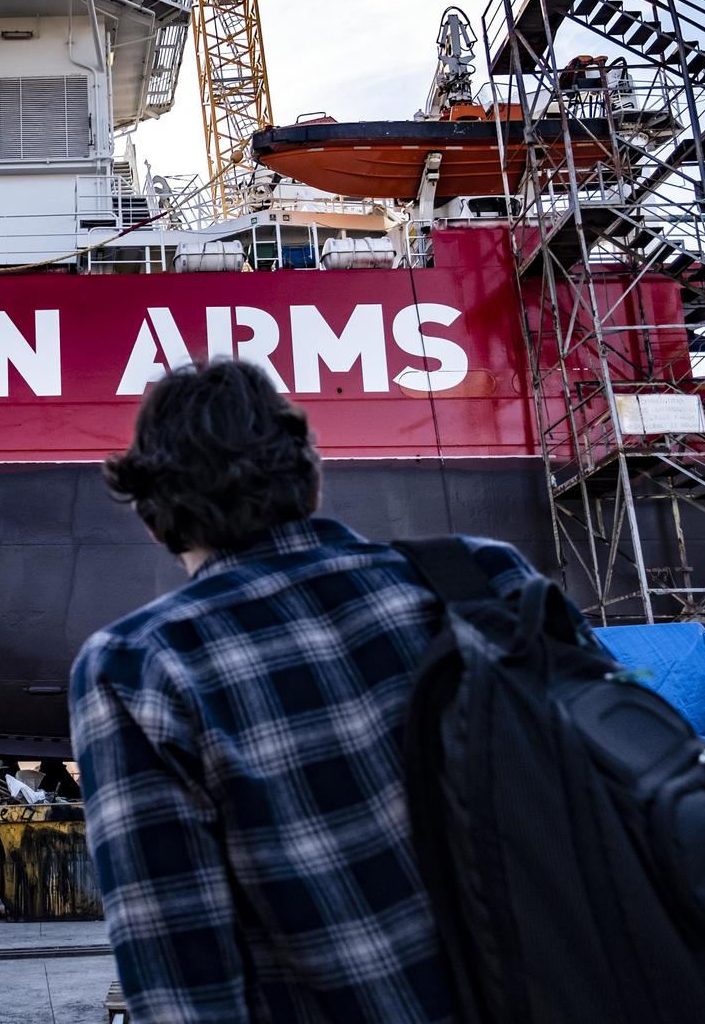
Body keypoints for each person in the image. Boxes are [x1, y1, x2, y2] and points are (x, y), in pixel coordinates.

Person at [70, 359, 561, 1023]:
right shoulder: (484, 576)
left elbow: (184, 983)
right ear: (312, 473)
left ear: (155, 516)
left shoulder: (140, 669)